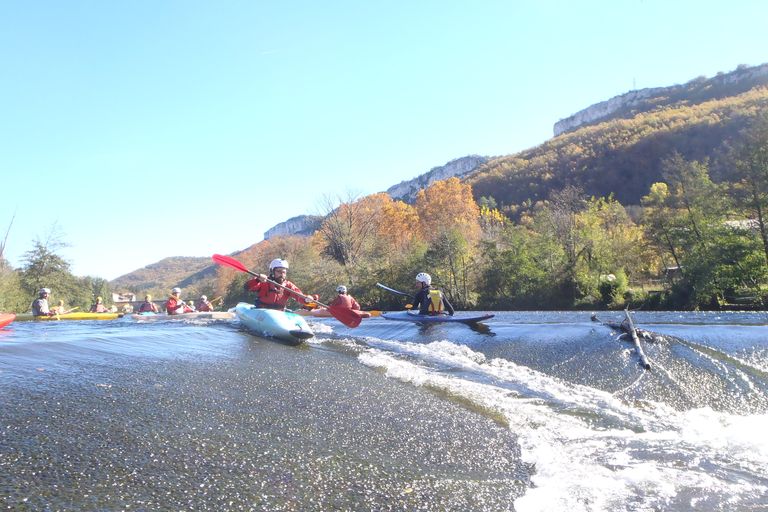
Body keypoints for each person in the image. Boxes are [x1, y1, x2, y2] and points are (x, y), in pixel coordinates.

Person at [244, 258, 318, 311]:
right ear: (272, 272)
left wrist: (307, 299)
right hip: (262, 310)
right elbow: (248, 287)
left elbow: (298, 296)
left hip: (279, 313)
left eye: (284, 272)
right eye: (279, 271)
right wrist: (257, 280)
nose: (281, 274)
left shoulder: (288, 285)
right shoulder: (263, 281)